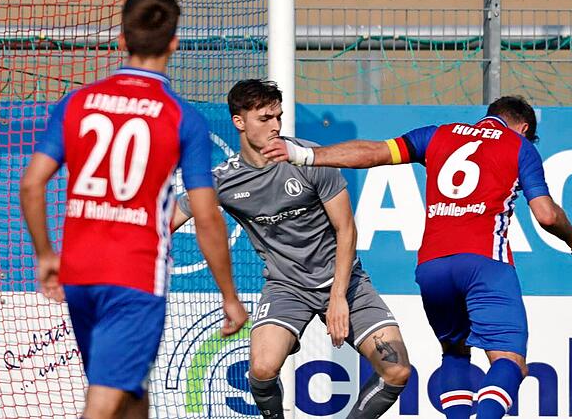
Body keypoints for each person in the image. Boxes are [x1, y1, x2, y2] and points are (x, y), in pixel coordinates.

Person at [263, 95, 572, 419]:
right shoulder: (519, 147)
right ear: (524, 128)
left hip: (433, 267)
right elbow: (546, 215)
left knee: (455, 353)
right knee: (509, 362)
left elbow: (373, 152)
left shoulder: (438, 135)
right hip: (484, 264)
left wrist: (303, 154)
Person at [19, 0, 248, 419]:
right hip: (134, 277)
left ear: (122, 39)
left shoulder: (77, 102)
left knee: (129, 389)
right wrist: (229, 296)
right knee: (104, 404)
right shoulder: (181, 117)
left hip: (79, 272)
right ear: (174, 42)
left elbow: (32, 184)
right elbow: (205, 215)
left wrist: (46, 254)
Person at [171, 79, 411, 419]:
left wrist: (338, 297)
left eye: (278, 117)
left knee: (397, 370)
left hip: (345, 282)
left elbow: (346, 229)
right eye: (264, 118)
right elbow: (167, 221)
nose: (275, 126)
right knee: (262, 369)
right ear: (239, 122)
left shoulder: (309, 158)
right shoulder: (223, 180)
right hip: (286, 288)